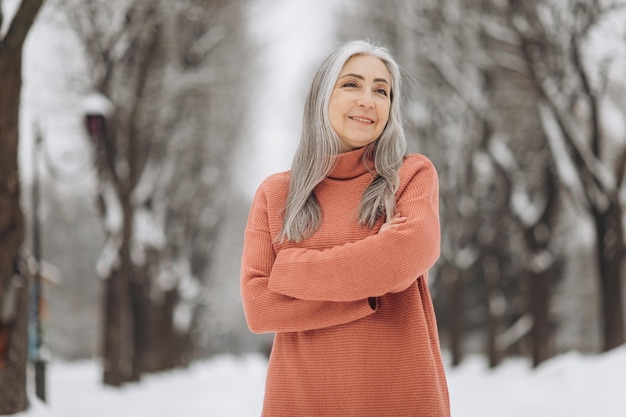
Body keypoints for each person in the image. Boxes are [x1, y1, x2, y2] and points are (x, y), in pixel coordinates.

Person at [240, 39, 450, 417]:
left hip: (400, 399)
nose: (368, 100)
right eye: (351, 84)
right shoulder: (276, 194)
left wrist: (289, 268)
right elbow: (259, 307)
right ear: (322, 97)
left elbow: (406, 256)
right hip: (301, 401)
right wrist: (370, 286)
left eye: (381, 90)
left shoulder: (410, 175)